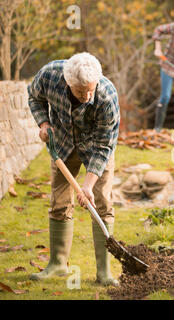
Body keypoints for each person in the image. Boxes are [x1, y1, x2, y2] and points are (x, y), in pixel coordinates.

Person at [27, 52, 120, 286]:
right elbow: (34, 97)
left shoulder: (106, 97)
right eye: (81, 92)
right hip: (63, 145)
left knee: (102, 202)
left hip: (95, 147)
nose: (87, 96)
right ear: (68, 83)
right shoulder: (49, 76)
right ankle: (58, 264)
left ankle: (104, 272)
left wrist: (87, 185)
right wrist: (44, 123)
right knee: (59, 202)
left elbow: (103, 146)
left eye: (91, 89)